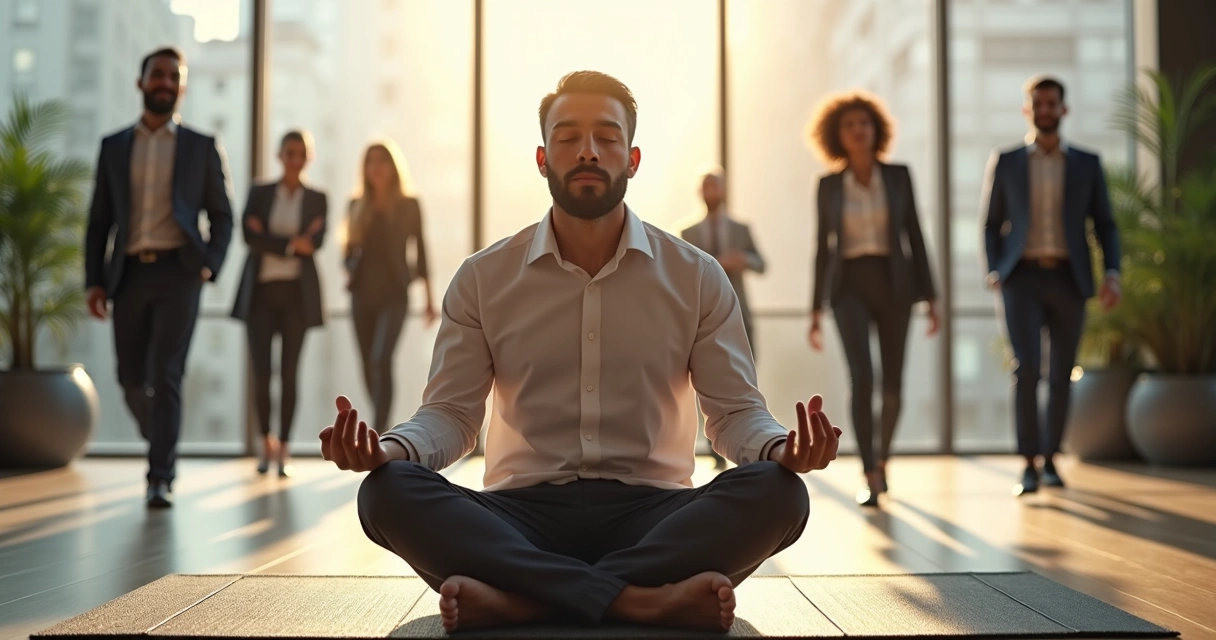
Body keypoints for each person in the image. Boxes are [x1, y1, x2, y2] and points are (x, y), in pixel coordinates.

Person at [321, 71, 841, 633]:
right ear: (543, 158)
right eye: (567, 137)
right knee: (386, 492)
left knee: (780, 493)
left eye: (607, 137)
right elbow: (451, 415)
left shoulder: (697, 276)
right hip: (521, 513)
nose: (588, 151)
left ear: (633, 158)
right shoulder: (483, 278)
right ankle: (639, 601)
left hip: (654, 511)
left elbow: (735, 413)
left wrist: (779, 450)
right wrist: (391, 451)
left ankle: (527, 599)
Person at [84, 47, 234, 508]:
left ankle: (160, 476)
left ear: (181, 87)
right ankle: (160, 437)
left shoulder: (201, 146)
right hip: (127, 274)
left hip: (179, 273)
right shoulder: (114, 147)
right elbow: (100, 219)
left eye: (174, 76)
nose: (166, 82)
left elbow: (222, 216)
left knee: (166, 374)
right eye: (158, 75)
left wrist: (210, 263)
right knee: (130, 379)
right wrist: (94, 280)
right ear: (141, 82)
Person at [981, 75, 1121, 495]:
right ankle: (1027, 463)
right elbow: (991, 224)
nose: (1045, 110)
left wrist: (1112, 272)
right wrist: (995, 269)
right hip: (1020, 278)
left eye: (1052, 103)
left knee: (1061, 372)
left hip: (1068, 278)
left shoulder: (1086, 164)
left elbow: (1106, 226)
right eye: (1037, 103)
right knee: (1026, 369)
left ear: (1064, 109)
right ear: (1028, 110)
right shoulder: (1006, 161)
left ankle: (1051, 459)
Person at [806, 91, 939, 508]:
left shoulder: (898, 175)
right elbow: (822, 248)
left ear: (875, 130)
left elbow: (914, 234)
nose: (858, 131)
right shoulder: (828, 185)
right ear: (837, 136)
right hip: (848, 287)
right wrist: (814, 307)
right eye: (849, 125)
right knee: (862, 379)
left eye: (864, 124)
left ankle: (883, 459)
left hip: (895, 283)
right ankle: (868, 470)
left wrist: (931, 295)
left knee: (893, 384)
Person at [230, 130, 328, 478]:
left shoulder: (318, 198)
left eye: (301, 153)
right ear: (279, 155)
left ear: (308, 157)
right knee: (261, 374)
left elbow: (315, 243)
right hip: (260, 295)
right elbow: (248, 236)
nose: (294, 159)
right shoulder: (260, 192)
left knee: (289, 374)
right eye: (289, 152)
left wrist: (270, 238)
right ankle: (264, 444)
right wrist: (291, 244)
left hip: (296, 298)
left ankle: (284, 447)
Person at [342, 140, 436, 434]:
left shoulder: (409, 205)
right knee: (368, 364)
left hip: (395, 293)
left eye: (382, 160)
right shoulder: (357, 205)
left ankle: (381, 432)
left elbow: (421, 252)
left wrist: (430, 300)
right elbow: (347, 252)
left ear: (393, 167)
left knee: (382, 359)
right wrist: (348, 269)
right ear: (365, 169)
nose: (377, 167)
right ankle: (381, 426)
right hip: (362, 294)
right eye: (371, 161)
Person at [680, 167, 767, 469]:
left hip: (739, 313)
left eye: (715, 186)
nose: (711, 192)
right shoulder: (688, 234)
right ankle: (716, 449)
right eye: (707, 187)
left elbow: (761, 263)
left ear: (724, 191)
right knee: (702, 379)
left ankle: (749, 443)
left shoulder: (741, 229)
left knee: (744, 377)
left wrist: (742, 259)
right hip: (700, 315)